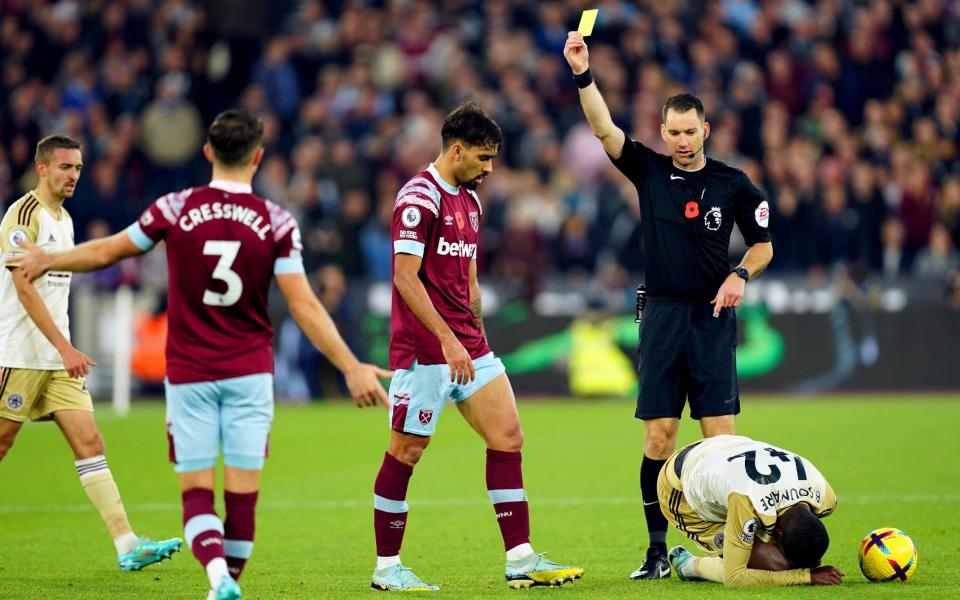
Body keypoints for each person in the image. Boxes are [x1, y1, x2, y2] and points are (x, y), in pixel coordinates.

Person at [15, 110, 391, 600]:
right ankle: (226, 581)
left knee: (196, 493)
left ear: (208, 152)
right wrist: (351, 365)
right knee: (242, 499)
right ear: (258, 157)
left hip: (190, 373)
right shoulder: (277, 222)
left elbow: (109, 251)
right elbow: (303, 305)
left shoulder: (173, 207)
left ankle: (215, 577)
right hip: (250, 374)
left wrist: (50, 258)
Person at [563, 31, 775, 580]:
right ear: (663, 131)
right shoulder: (649, 170)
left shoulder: (732, 184)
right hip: (659, 315)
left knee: (720, 442)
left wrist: (740, 274)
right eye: (673, 132)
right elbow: (602, 128)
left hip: (711, 318)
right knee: (659, 436)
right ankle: (657, 550)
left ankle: (738, 546)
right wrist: (583, 73)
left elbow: (764, 244)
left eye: (690, 131)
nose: (682, 140)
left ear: (706, 129)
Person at [369, 101, 584, 591]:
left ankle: (521, 559)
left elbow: (466, 275)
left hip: (468, 345)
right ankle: (386, 569)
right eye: (483, 159)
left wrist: (476, 334)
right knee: (406, 451)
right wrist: (446, 339)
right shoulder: (418, 199)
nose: (489, 170)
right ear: (457, 149)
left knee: (508, 437)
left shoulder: (471, 201)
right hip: (426, 350)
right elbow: (404, 277)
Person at [0, 134, 182, 572]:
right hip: (19, 355)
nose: (74, 175)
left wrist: (63, 347)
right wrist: (65, 347)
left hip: (57, 357)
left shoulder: (64, 219)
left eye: (78, 168)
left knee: (90, 442)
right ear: (41, 168)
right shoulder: (24, 215)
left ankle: (126, 542)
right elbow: (23, 289)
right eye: (65, 167)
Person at [658, 435, 844, 586]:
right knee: (776, 566)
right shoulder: (747, 501)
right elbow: (734, 578)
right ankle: (689, 565)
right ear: (777, 534)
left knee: (773, 553)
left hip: (724, 448)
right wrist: (804, 576)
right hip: (680, 483)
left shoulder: (824, 493)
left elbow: (805, 530)